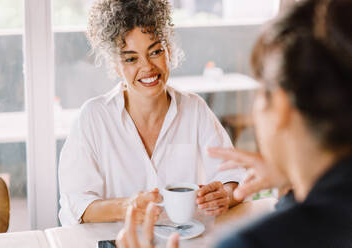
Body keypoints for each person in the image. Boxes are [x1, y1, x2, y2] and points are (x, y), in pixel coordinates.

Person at [116, 0, 352, 247]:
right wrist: (292, 180)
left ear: (280, 106)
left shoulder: (247, 243)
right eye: (131, 58)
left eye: (260, 90)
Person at [58, 0, 245, 226]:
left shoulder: (194, 109)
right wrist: (128, 206)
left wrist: (224, 195)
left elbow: (232, 176)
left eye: (155, 51)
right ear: (115, 66)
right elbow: (76, 204)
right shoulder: (93, 118)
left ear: (168, 51)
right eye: (131, 58)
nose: (147, 67)